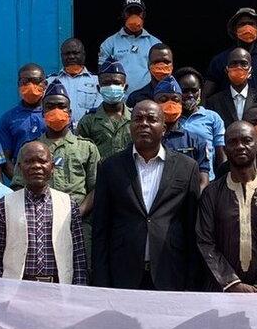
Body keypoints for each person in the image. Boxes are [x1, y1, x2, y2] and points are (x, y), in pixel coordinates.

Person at [91, 100, 201, 291]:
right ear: (130, 126)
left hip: (171, 273)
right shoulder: (109, 167)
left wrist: (192, 282)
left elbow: (192, 228)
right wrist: (101, 281)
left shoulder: (187, 167)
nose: (144, 124)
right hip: (122, 275)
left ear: (164, 128)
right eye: (138, 119)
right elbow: (101, 228)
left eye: (151, 119)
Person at [197, 121, 257, 293]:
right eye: (233, 142)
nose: (240, 146)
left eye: (246, 140)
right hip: (224, 291)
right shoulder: (211, 193)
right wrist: (232, 284)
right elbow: (205, 242)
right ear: (225, 149)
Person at [0, 141, 87, 285]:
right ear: (20, 167)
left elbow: (79, 257)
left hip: (59, 289)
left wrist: (76, 290)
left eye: (42, 161)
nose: (36, 166)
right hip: (17, 290)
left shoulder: (69, 205)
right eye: (29, 161)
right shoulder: (3, 206)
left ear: (52, 167)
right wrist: (4, 289)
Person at [13, 81, 99, 219]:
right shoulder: (29, 149)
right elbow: (18, 185)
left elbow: (96, 187)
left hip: (78, 220)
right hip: (37, 219)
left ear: (69, 113)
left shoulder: (87, 148)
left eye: (61, 106)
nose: (56, 110)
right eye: (50, 107)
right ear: (43, 113)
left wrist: (78, 213)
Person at [204, 7, 257, 97]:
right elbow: (206, 94)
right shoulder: (220, 60)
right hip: (228, 106)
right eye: (242, 24)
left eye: (251, 24)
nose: (247, 28)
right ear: (235, 30)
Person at [151, 76, 210, 187]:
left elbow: (203, 180)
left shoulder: (196, 141)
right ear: (154, 103)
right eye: (163, 100)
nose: (170, 104)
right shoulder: (147, 140)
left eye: (175, 100)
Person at [98, 0, 162, 96]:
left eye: (137, 12)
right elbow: (102, 74)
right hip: (118, 99)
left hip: (147, 99)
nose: (134, 16)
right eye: (130, 12)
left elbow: (162, 74)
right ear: (123, 15)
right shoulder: (109, 43)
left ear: (144, 15)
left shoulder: (155, 43)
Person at [0, 63, 47, 179]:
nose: (30, 86)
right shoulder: (8, 118)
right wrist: (19, 181)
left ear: (45, 84)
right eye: (25, 82)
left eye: (36, 81)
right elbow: (4, 158)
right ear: (18, 85)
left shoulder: (56, 115)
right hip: (21, 181)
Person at [76, 59, 132, 162]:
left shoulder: (135, 118)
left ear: (125, 87)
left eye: (116, 83)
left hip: (129, 172)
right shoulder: (88, 121)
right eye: (106, 83)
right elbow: (80, 156)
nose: (111, 87)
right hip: (100, 172)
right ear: (98, 88)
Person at [205, 48, 257, 128]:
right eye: (234, 63)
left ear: (250, 71)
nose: (238, 67)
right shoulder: (214, 102)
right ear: (226, 70)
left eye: (244, 64)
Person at [175, 67, 226, 177]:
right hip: (176, 182)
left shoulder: (213, 118)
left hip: (208, 181)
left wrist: (222, 181)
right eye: (185, 91)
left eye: (194, 90)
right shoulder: (170, 119)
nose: (190, 95)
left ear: (200, 91)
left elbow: (221, 154)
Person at [47, 38, 101, 124]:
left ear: (83, 55)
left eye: (75, 53)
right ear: (61, 56)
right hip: (57, 130)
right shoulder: (50, 82)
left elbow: (99, 110)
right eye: (67, 54)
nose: (71, 57)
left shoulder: (97, 81)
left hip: (88, 130)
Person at [125, 43, 174, 108]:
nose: (161, 66)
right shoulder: (136, 98)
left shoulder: (181, 95)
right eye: (157, 62)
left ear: (172, 65)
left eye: (166, 62)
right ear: (148, 65)